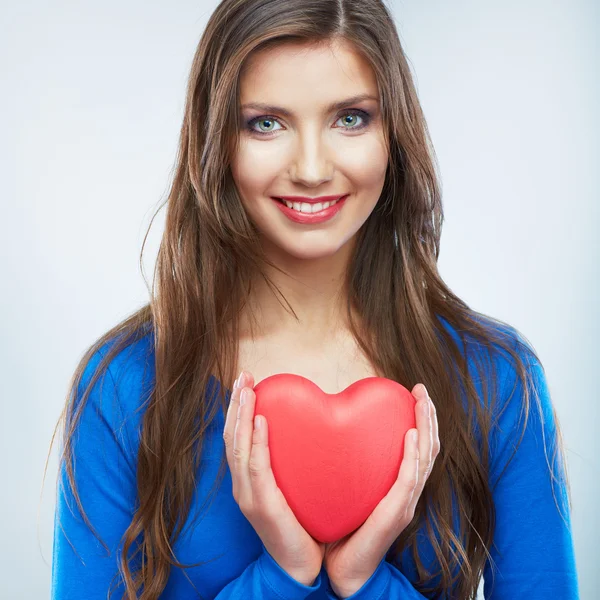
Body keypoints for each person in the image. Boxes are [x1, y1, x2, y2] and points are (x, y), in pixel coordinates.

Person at [49, 0, 580, 598]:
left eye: (350, 119)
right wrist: (282, 574)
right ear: (216, 140)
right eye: (266, 123)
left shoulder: (497, 380)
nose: (310, 168)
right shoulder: (123, 387)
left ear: (393, 135)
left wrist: (363, 580)